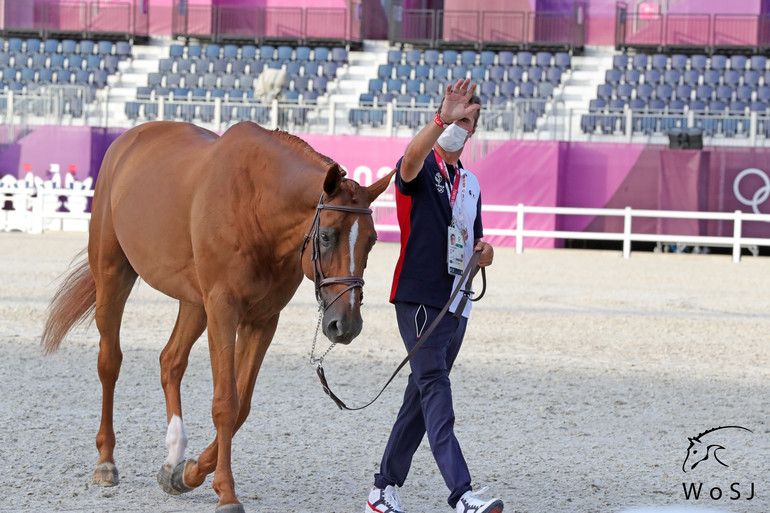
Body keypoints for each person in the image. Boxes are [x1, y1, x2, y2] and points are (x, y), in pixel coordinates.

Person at [365, 78, 501, 513]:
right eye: (457, 118)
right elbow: (408, 159)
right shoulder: (420, 168)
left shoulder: (472, 183)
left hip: (457, 303)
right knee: (436, 390)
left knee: (421, 399)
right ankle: (462, 495)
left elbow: (474, 240)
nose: (462, 126)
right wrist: (441, 116)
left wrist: (486, 253)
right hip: (419, 298)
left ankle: (382, 488)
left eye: (468, 121)